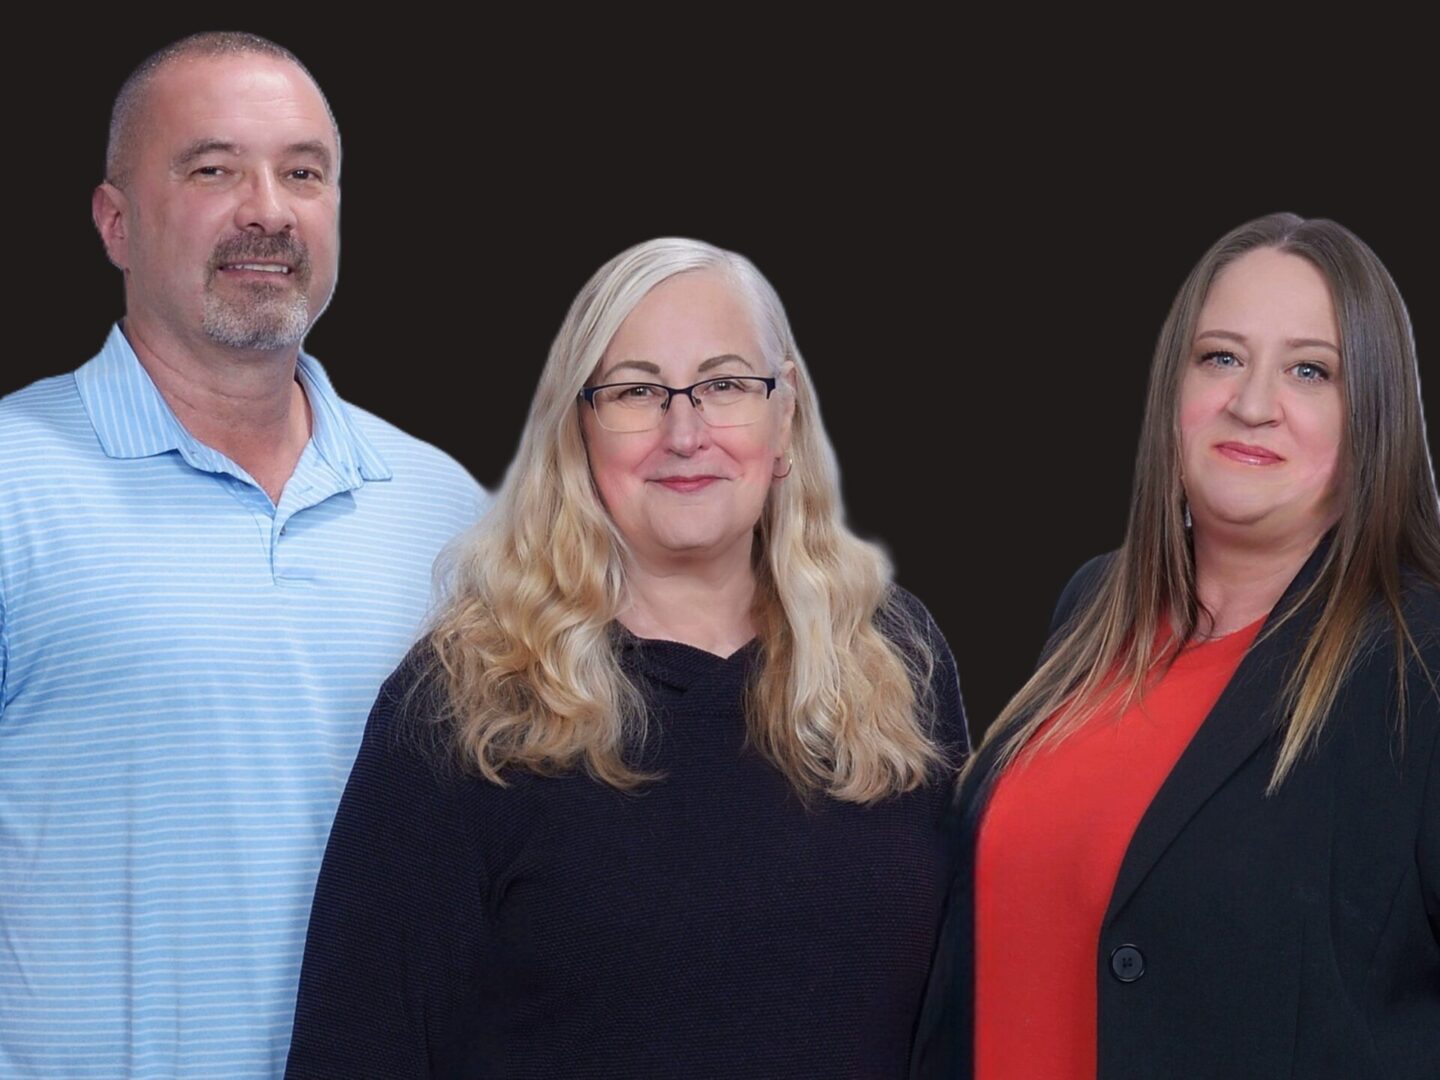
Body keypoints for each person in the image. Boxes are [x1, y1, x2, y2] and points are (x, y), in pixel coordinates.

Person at [282, 237, 969, 1078]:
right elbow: (354, 1053)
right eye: (638, 391)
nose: (686, 434)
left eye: (724, 385)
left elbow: (958, 1024)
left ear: (784, 411)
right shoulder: (465, 700)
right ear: (580, 429)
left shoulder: (893, 661)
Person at [0, 32, 487, 1078]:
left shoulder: (451, 515)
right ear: (116, 222)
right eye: (214, 168)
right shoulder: (13, 485)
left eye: (303, 173)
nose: (269, 209)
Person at [910, 212, 1440, 1079]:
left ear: (1373, 413)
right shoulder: (1093, 608)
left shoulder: (1422, 660)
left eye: (1311, 370)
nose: (1253, 402)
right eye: (1221, 357)